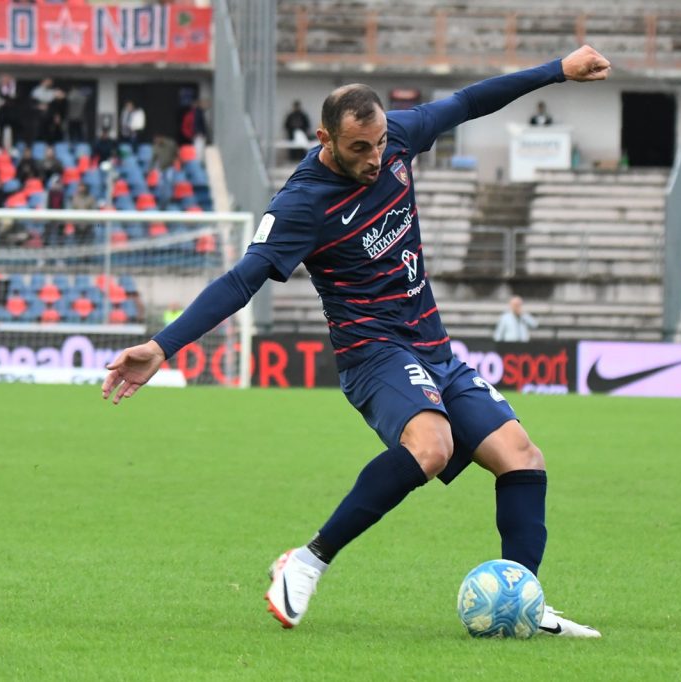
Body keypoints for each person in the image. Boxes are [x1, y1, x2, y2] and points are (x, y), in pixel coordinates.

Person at [101, 45, 612, 638]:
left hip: (433, 347)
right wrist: (163, 347)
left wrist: (557, 71)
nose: (374, 158)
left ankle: (523, 602)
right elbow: (243, 279)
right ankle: (308, 560)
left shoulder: (398, 136)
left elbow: (470, 101)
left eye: (377, 145)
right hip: (372, 352)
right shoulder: (301, 204)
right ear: (325, 137)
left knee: (523, 456)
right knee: (432, 446)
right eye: (358, 148)